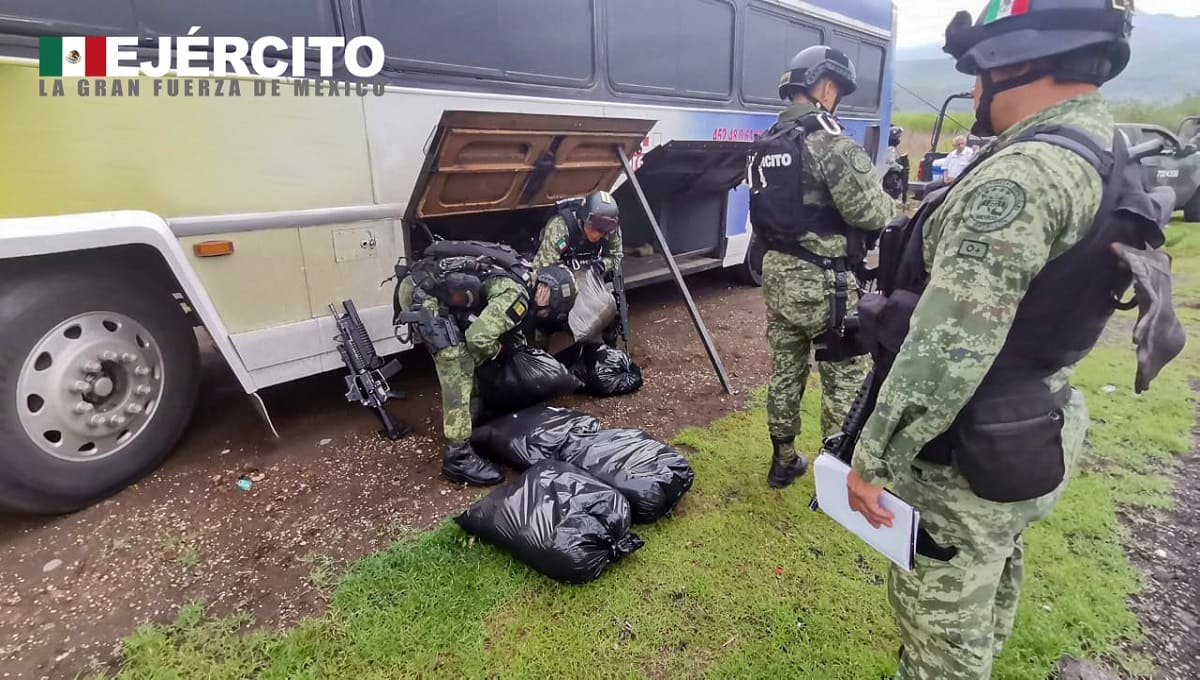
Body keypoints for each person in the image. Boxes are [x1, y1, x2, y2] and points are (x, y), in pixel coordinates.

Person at [844, 2, 1177, 678]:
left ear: (1018, 60)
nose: (972, 90)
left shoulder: (1023, 178)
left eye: (977, 71)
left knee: (940, 643)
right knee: (987, 577)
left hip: (964, 451)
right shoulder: (1104, 154)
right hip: (1025, 429)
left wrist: (870, 460)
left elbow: (948, 346)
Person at [746, 45, 896, 488]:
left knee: (786, 370)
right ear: (826, 87)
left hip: (777, 275)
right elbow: (871, 212)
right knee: (843, 374)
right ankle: (839, 475)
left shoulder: (766, 143)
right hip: (824, 284)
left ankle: (783, 460)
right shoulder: (829, 140)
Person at [394, 241, 577, 486]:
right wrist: (500, 352)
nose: (545, 315)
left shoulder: (524, 272)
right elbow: (479, 339)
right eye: (549, 310)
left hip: (431, 284)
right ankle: (458, 458)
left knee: (475, 350)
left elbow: (502, 326)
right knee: (458, 362)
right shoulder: (517, 295)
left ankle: (476, 411)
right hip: (423, 294)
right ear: (547, 295)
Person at [530, 190, 624, 348]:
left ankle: (610, 346)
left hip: (589, 271)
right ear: (584, 218)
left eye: (603, 231)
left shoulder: (609, 228)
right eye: (594, 228)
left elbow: (616, 256)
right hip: (558, 272)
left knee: (610, 304)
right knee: (544, 307)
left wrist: (602, 265)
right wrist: (571, 281)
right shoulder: (561, 226)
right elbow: (542, 265)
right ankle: (542, 349)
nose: (598, 235)